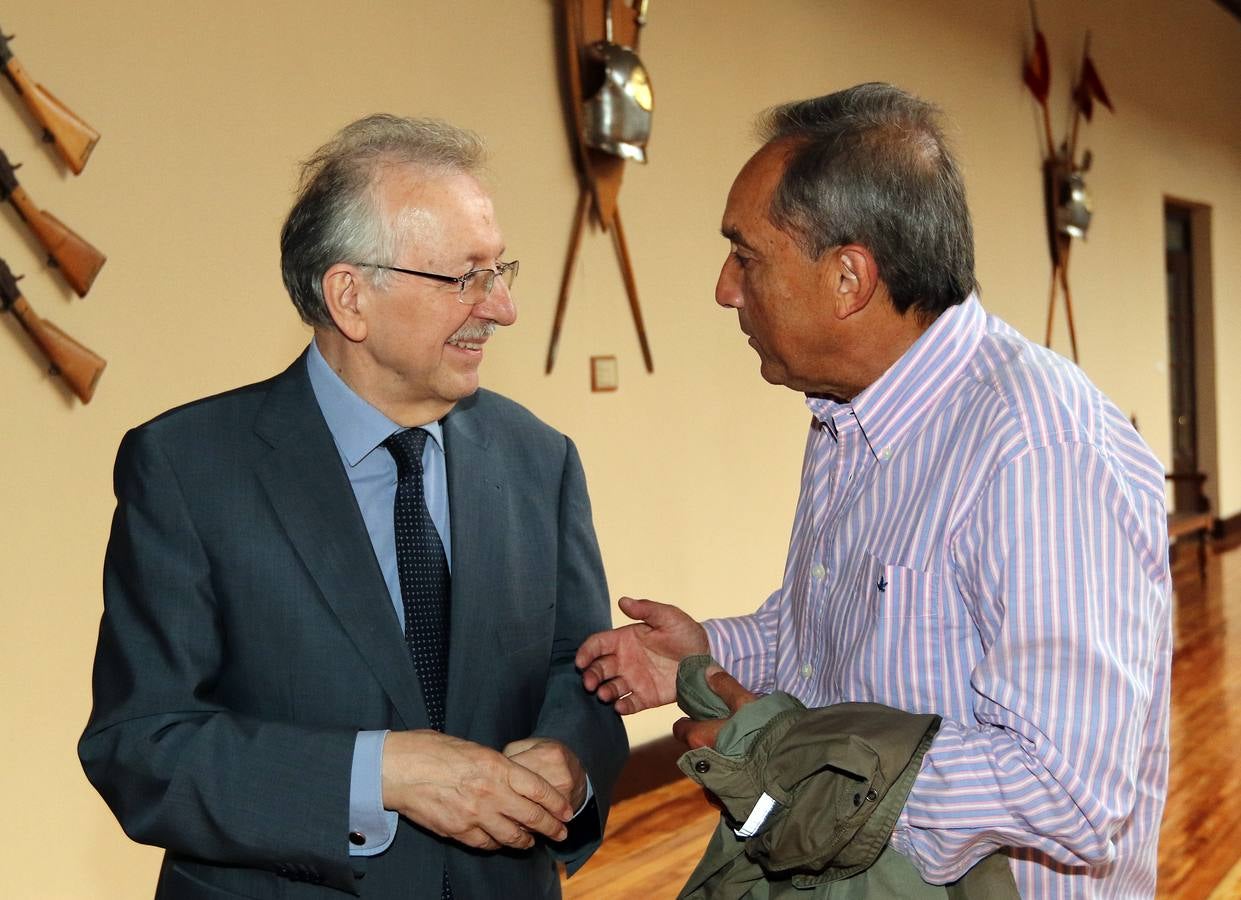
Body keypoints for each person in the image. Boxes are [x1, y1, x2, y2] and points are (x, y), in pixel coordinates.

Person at [577, 83, 1171, 898]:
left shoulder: (1039, 453)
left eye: (746, 256)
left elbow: (1068, 788)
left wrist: (792, 753)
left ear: (849, 278)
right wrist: (707, 651)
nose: (723, 288)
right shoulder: (846, 412)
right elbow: (837, 634)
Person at [80, 114, 627, 900]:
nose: (501, 308)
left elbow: (578, 674)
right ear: (350, 298)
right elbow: (142, 747)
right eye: (465, 277)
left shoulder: (540, 459)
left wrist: (568, 768)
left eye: (500, 269)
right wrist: (379, 773)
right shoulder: (187, 468)